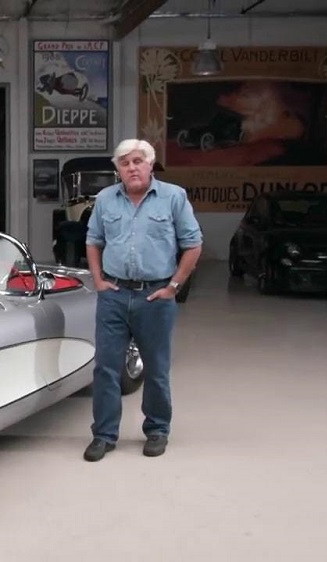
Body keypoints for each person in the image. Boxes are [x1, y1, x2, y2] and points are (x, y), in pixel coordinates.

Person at [82, 139, 203, 461]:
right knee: (106, 368)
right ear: (118, 169)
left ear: (150, 165)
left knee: (157, 368)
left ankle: (157, 430)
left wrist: (174, 286)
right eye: (125, 162)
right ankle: (104, 435)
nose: (132, 167)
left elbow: (193, 244)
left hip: (156, 295)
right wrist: (98, 280)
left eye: (138, 161)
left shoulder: (173, 197)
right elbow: (93, 241)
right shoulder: (106, 199)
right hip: (114, 295)